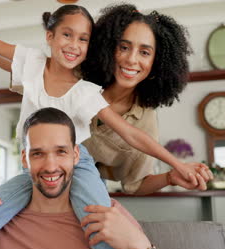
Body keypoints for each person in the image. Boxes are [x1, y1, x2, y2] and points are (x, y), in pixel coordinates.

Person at [0, 4, 209, 249]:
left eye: (83, 39)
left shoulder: (86, 93)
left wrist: (176, 166)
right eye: (66, 35)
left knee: (101, 225)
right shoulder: (34, 65)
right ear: (50, 37)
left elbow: (132, 135)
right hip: (33, 165)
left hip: (78, 165)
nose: (73, 44)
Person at [0, 108, 160, 249]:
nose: (51, 166)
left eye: (61, 151)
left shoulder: (108, 215)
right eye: (38, 154)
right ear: (25, 159)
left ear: (76, 155)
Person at [81, 4, 213, 195]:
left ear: (156, 64)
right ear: (108, 48)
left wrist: (170, 177)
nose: (132, 59)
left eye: (144, 52)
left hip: (86, 186)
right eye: (124, 47)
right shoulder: (78, 79)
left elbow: (135, 184)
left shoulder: (144, 121)